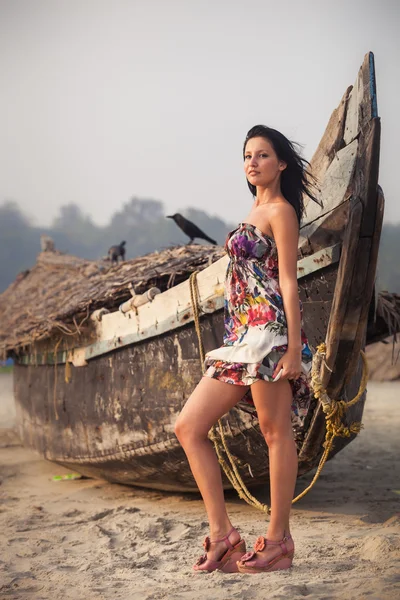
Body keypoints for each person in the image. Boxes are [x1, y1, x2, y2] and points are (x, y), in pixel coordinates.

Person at [174, 124, 321, 574]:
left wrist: (294, 349)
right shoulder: (254, 210)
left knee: (275, 433)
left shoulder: (281, 212)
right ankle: (223, 536)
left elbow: (290, 283)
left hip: (271, 335)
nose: (252, 162)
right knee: (188, 427)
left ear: (281, 164)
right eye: (247, 156)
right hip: (241, 338)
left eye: (261, 155)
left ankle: (278, 541)